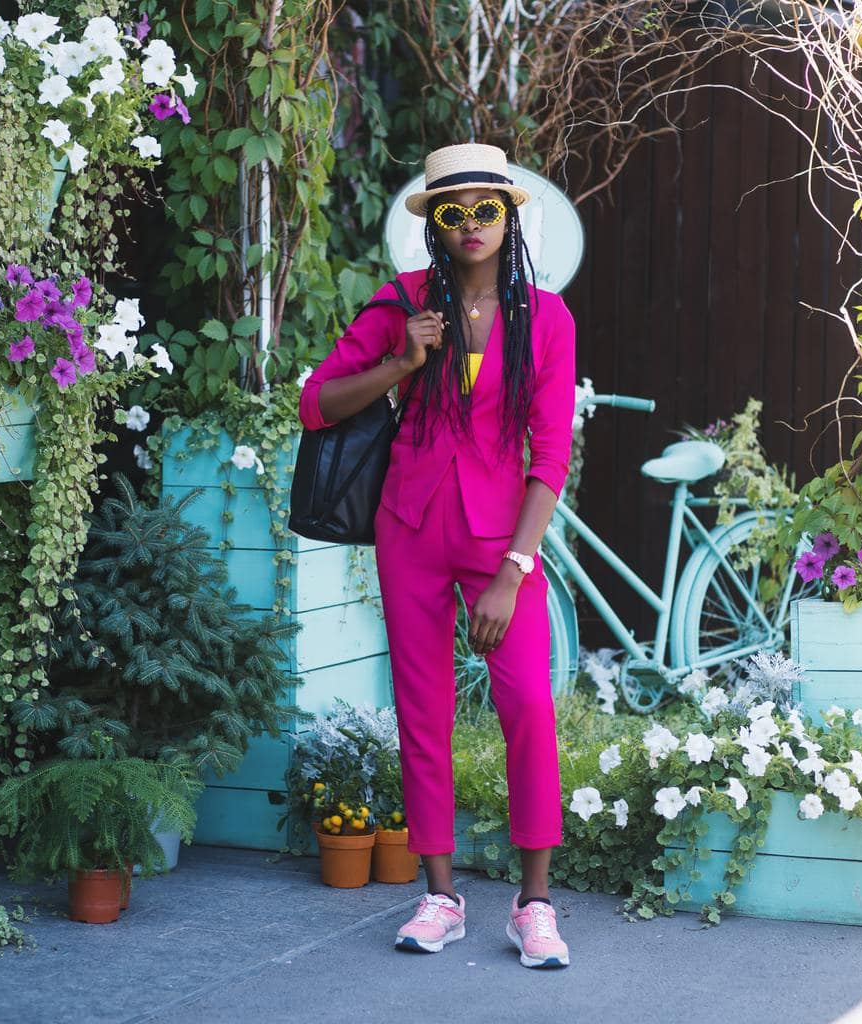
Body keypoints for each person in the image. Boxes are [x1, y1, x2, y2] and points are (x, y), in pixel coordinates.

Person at [297, 142, 576, 969]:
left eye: (485, 210)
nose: (471, 226)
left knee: (527, 705)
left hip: (500, 543)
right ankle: (441, 895)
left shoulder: (545, 319)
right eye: (452, 213)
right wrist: (402, 361)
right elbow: (317, 403)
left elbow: (549, 457)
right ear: (435, 227)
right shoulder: (402, 305)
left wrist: (513, 571)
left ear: (509, 215)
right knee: (423, 713)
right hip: (410, 533)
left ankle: (535, 903)